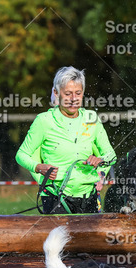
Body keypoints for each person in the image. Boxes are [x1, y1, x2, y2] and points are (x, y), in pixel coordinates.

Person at [16, 66, 116, 214]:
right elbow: (21, 155)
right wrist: (38, 167)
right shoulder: (44, 121)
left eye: (78, 93)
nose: (73, 99)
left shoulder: (91, 118)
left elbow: (111, 155)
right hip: (56, 197)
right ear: (56, 93)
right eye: (68, 94)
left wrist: (101, 168)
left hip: (88, 196)